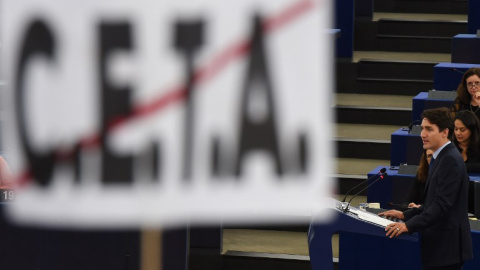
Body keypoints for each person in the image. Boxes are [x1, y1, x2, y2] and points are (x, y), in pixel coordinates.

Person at [379, 107, 472, 270]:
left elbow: (441, 205)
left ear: (444, 132)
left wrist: (408, 226)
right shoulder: (441, 157)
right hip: (441, 248)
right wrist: (405, 214)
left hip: (447, 250)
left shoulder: (450, 160)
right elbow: (431, 203)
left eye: (429, 129)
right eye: (422, 128)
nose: (423, 134)